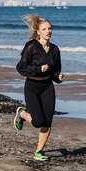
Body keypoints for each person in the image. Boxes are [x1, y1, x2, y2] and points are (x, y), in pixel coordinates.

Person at [14, 15, 64, 161]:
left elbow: (55, 71)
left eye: (50, 28)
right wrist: (38, 69)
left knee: (47, 122)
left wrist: (58, 78)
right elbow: (21, 67)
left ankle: (39, 152)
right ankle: (22, 114)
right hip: (33, 86)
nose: (48, 31)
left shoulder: (55, 50)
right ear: (38, 31)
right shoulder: (31, 47)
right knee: (38, 122)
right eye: (45, 29)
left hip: (47, 86)